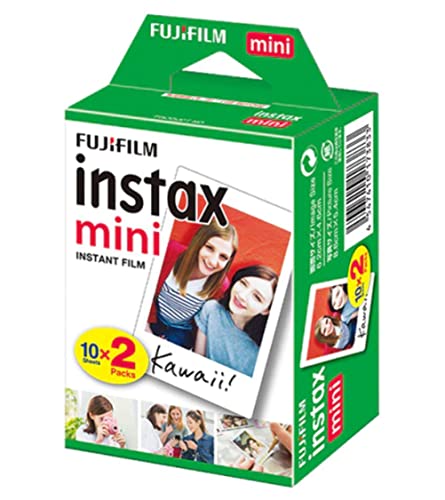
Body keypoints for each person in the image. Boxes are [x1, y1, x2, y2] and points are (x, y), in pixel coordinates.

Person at [147, 220, 238, 349]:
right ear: (198, 242)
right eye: (209, 248)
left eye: (223, 257)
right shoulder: (169, 251)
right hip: (153, 315)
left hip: (181, 330)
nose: (213, 261)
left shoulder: (221, 287)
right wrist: (147, 326)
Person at [194, 265, 278, 377]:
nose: (242, 296)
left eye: (257, 297)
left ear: (266, 310)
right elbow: (197, 360)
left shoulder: (265, 351)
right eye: (243, 283)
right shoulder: (211, 309)